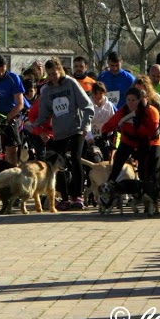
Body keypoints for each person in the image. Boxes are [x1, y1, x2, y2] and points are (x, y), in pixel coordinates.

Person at [30, 58, 94, 210]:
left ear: (60, 71)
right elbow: (44, 113)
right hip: (59, 133)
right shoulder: (47, 90)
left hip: (76, 129)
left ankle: (77, 196)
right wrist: (35, 124)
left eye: (54, 74)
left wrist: (85, 125)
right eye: (49, 74)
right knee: (57, 164)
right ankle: (64, 197)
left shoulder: (71, 84)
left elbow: (87, 105)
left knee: (76, 158)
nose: (52, 77)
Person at [102, 87, 160, 209]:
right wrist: (104, 132)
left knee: (144, 170)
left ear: (140, 100)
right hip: (128, 140)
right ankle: (108, 196)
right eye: (128, 99)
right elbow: (112, 123)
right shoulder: (123, 111)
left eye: (134, 100)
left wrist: (139, 125)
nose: (130, 103)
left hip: (146, 142)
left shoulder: (151, 111)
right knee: (117, 165)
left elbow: (152, 132)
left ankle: (147, 197)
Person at [88, 81, 116, 161]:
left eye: (100, 93)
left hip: (104, 137)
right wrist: (89, 136)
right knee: (95, 159)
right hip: (90, 138)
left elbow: (112, 121)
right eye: (95, 93)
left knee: (106, 159)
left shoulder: (109, 105)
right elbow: (86, 122)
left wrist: (108, 132)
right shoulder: (88, 104)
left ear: (104, 93)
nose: (98, 96)